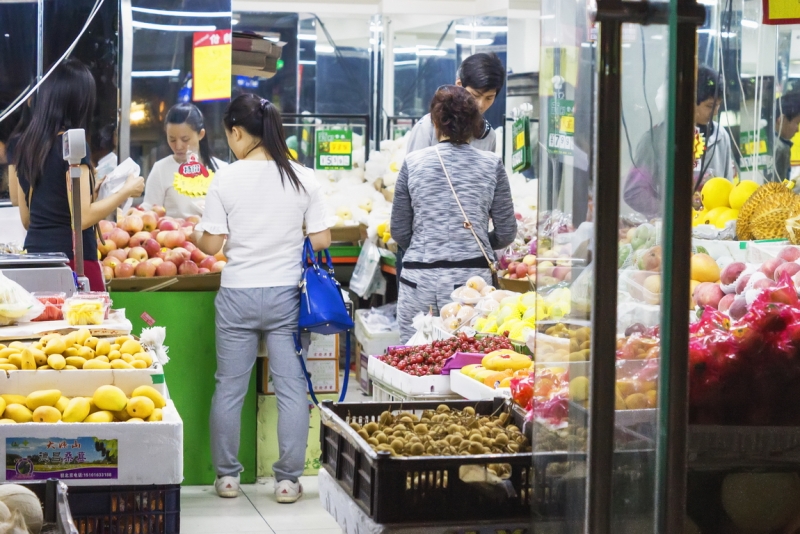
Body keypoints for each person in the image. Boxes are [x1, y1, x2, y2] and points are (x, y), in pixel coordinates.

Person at [194, 94, 331, 503]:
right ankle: (288, 481)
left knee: (229, 388)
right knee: (291, 389)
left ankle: (228, 479)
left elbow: (213, 244)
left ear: (237, 132)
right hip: (287, 296)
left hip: (237, 293)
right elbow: (322, 238)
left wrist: (196, 235)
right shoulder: (304, 177)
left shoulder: (226, 178)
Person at [391, 85, 517, 342]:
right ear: (474, 124)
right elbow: (506, 232)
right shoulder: (491, 165)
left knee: (415, 361)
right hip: (470, 286)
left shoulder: (413, 163)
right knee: (466, 363)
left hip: (418, 280)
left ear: (436, 123)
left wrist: (426, 245)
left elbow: (399, 230)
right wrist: (476, 241)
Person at [13, 59, 144, 290]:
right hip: (74, 263)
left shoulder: (26, 149)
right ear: (79, 102)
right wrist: (126, 191)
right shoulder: (72, 146)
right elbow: (80, 218)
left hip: (34, 261)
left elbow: (28, 219)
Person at [398, 53, 506, 286]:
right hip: (425, 252)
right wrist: (421, 243)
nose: (480, 105)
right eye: (475, 95)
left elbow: (487, 197)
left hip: (469, 257)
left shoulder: (488, 136)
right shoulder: (428, 127)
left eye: (489, 98)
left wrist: (475, 241)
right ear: (459, 85)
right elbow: (410, 194)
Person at [624, 65, 735, 218]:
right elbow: (634, 191)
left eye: (718, 105)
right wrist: (670, 212)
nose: (715, 112)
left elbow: (727, 188)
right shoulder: (656, 140)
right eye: (710, 106)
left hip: (711, 228)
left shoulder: (721, 136)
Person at [141, 103, 226, 219]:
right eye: (172, 139)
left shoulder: (222, 169)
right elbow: (149, 215)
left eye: (185, 139)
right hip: (173, 235)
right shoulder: (160, 170)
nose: (178, 146)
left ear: (201, 134)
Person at [769, 92, 800, 183]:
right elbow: (778, 189)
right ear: (781, 120)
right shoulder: (780, 148)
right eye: (796, 123)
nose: (797, 130)